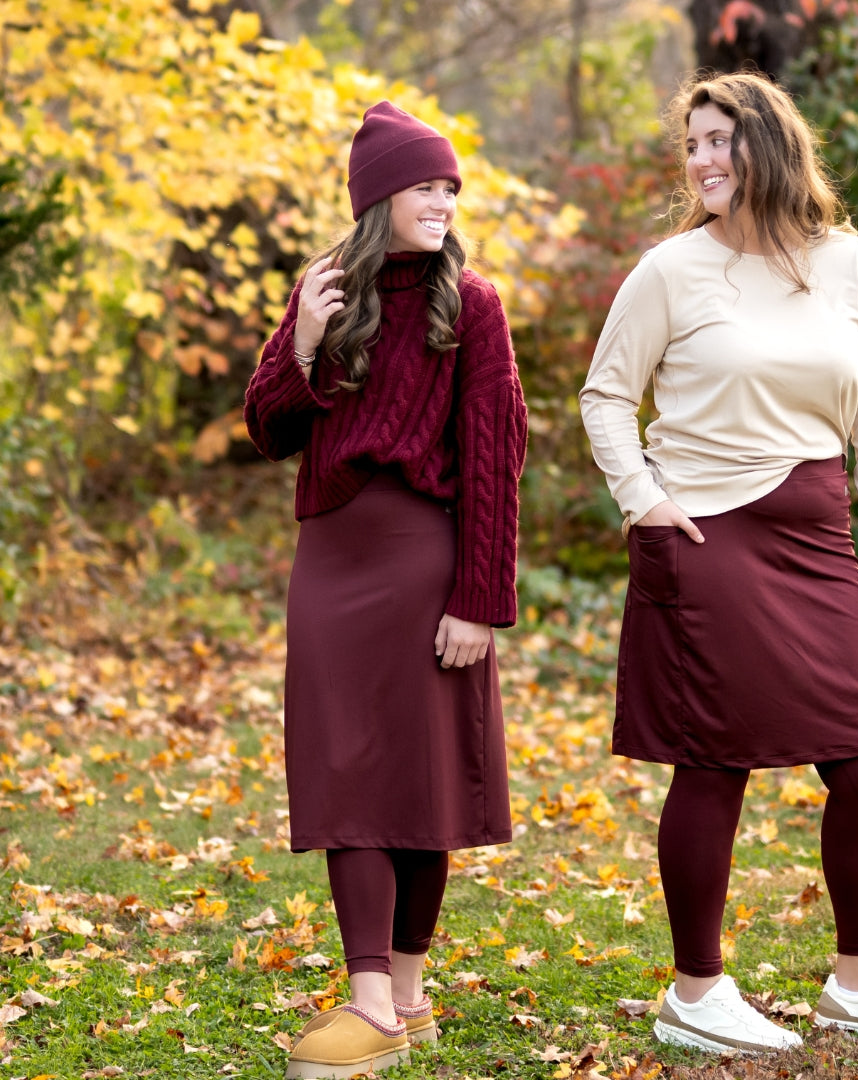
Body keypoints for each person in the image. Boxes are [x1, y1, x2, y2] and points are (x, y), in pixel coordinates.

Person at [579, 72, 858, 1053]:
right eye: (692, 145)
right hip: (704, 535)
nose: (703, 160)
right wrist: (646, 502)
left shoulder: (849, 265)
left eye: (721, 140)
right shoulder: (671, 271)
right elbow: (605, 396)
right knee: (717, 759)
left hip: (817, 537)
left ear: (771, 145)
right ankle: (696, 994)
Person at [244, 101, 527, 1078]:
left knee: (420, 776)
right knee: (346, 768)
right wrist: (304, 342)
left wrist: (481, 599)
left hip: (424, 563)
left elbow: (496, 457)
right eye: (425, 187)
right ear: (378, 198)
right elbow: (267, 430)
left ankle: (404, 995)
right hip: (331, 562)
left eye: (451, 188)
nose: (444, 201)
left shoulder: (473, 305)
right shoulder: (325, 289)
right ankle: (370, 996)